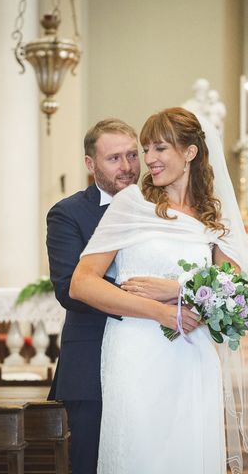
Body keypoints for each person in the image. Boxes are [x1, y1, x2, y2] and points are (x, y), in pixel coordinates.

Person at [69, 107, 248, 473]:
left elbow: (237, 298)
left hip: (191, 354)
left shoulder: (214, 217)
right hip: (135, 350)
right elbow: (82, 283)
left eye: (159, 149)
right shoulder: (131, 203)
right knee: (140, 452)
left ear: (189, 153)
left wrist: (175, 289)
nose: (148, 160)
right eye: (146, 149)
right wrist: (160, 310)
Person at [46, 118, 163, 473]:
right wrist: (149, 297)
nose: (127, 167)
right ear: (89, 163)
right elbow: (69, 289)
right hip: (91, 364)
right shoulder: (68, 213)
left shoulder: (158, 206)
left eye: (132, 155)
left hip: (152, 358)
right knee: (92, 463)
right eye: (114, 158)